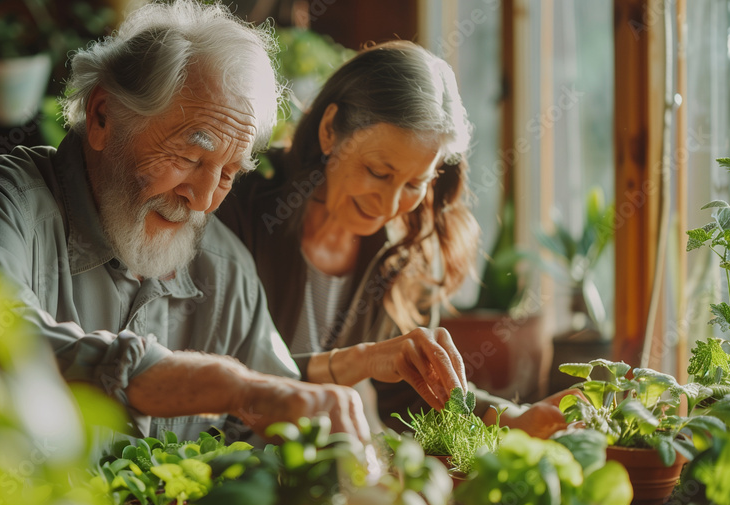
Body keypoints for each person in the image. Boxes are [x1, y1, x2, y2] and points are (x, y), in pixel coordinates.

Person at [0, 2, 464, 444]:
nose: (205, 199)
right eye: (190, 158)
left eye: (230, 173)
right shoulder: (5, 200)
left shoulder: (224, 267)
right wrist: (231, 387)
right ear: (103, 116)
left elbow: (277, 413)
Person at [217, 41, 571, 438]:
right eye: (377, 171)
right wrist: (358, 361)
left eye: (414, 183)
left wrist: (514, 419)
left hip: (309, 477)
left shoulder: (403, 249)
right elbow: (208, 375)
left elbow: (411, 398)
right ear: (330, 130)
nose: (389, 204)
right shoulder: (236, 207)